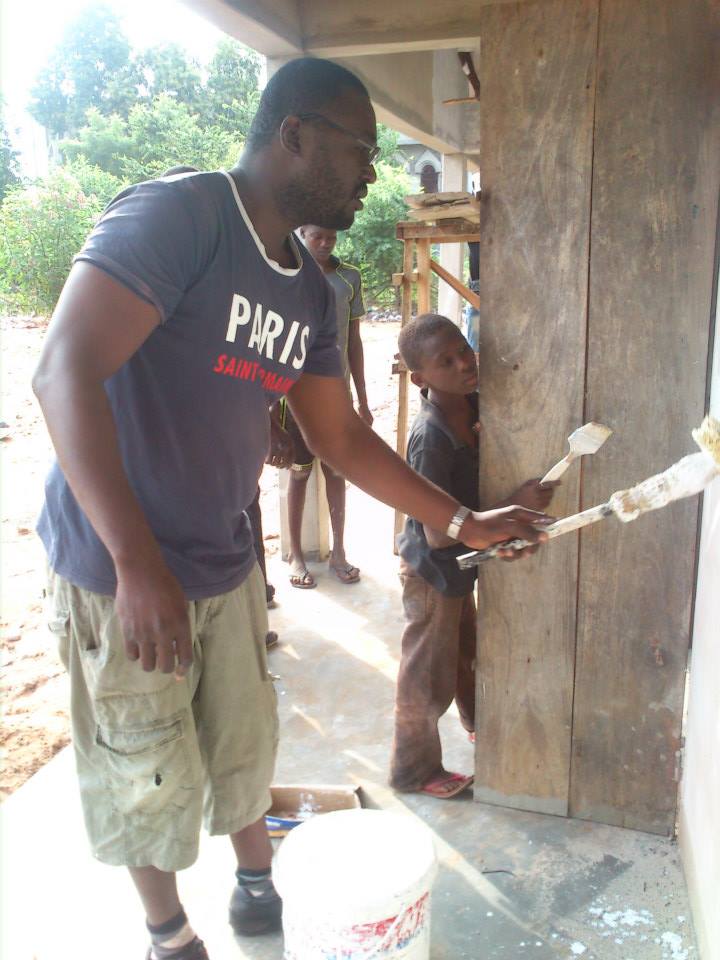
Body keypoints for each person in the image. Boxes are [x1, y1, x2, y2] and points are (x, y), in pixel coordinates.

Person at [32, 57, 550, 960]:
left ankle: (255, 880)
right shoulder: (181, 217)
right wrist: (135, 564)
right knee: (145, 766)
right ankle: (168, 932)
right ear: (296, 134)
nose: (371, 174)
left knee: (242, 743)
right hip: (120, 567)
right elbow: (62, 371)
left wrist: (461, 522)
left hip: (224, 557)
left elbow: (339, 437)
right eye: (362, 151)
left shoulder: (309, 290)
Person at [391, 313, 557, 798]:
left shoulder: (475, 406)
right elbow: (438, 535)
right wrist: (513, 505)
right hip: (430, 571)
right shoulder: (430, 438)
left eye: (463, 350)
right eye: (445, 362)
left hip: (460, 566)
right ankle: (413, 771)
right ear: (420, 379)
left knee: (465, 651)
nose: (464, 364)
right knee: (426, 677)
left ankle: (477, 724)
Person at [282, 224, 371, 587]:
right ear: (301, 232)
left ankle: (339, 551)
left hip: (337, 394)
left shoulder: (348, 278)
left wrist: (363, 399)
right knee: (299, 473)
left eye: (331, 237)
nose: (324, 243)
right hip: (295, 395)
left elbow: (354, 341)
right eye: (316, 236)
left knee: (337, 472)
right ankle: (296, 556)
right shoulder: (287, 274)